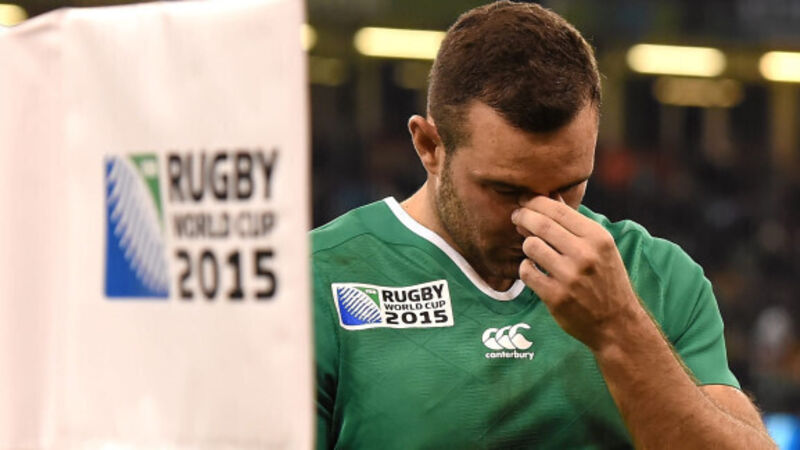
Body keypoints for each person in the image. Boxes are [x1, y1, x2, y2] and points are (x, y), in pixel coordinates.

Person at [312, 2, 775, 448]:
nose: (538, 218)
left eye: (569, 186)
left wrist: (618, 326)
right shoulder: (319, 279)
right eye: (506, 190)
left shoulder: (657, 277)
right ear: (429, 146)